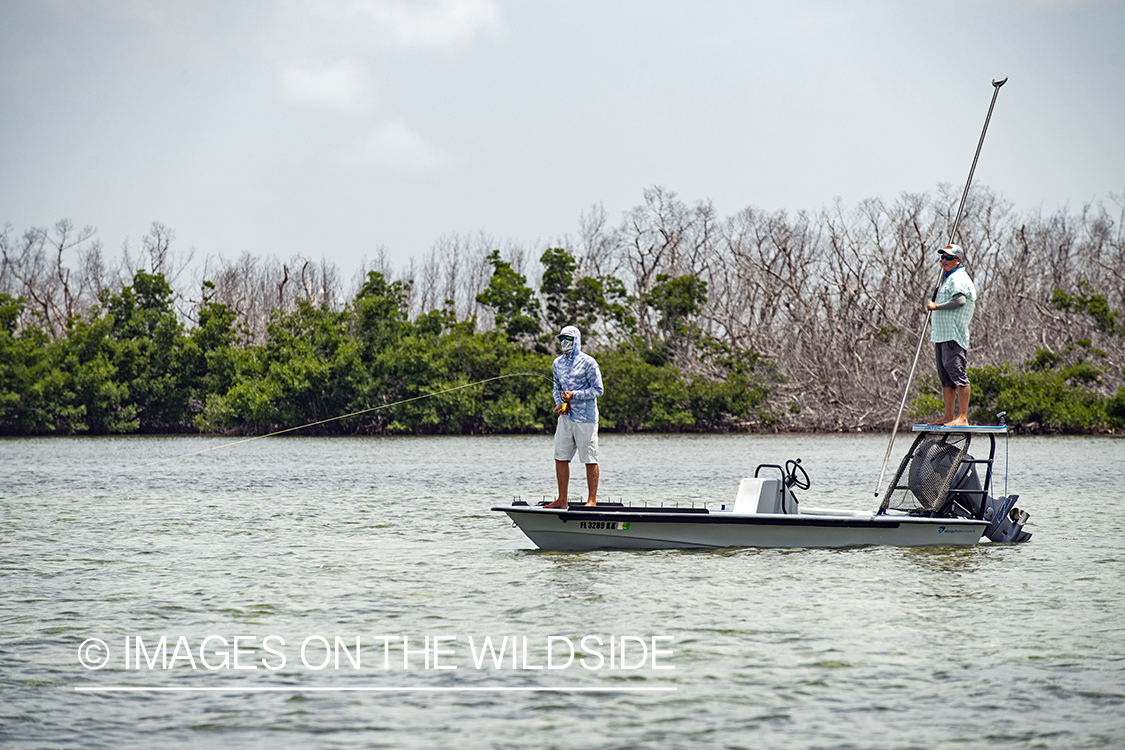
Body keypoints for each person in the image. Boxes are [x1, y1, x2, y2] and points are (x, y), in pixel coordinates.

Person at [543, 325, 604, 509]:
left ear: (576, 339)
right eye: (561, 339)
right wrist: (560, 404)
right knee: (560, 456)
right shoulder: (557, 363)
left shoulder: (589, 362)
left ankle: (591, 500)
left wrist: (574, 395)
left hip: (586, 418)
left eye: (568, 339)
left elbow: (598, 390)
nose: (564, 343)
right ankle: (562, 499)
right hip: (566, 417)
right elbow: (556, 388)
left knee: (589, 457)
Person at [926, 243, 977, 426]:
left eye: (948, 258)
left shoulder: (958, 278)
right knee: (946, 379)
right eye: (942, 257)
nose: (944, 260)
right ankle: (948, 416)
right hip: (941, 335)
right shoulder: (947, 278)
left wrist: (936, 306)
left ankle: (962, 417)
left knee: (958, 375)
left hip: (953, 336)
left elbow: (960, 300)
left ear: (958, 260)